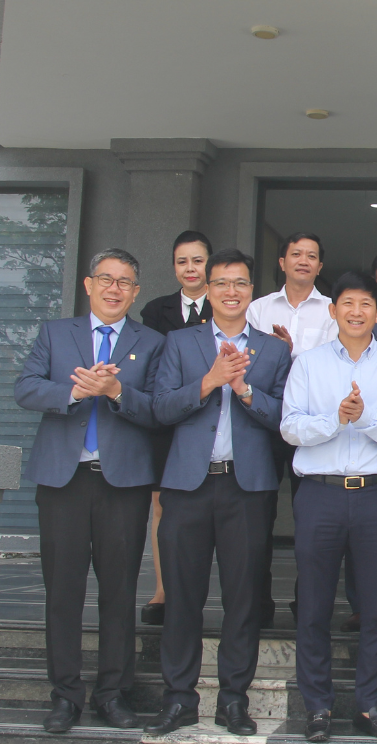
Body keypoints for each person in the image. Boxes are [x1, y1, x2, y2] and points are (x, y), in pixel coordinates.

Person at [13, 247, 164, 733]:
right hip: (64, 479)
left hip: (124, 482)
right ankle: (65, 695)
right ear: (89, 284)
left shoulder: (152, 342)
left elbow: (159, 409)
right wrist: (76, 391)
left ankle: (113, 693)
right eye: (106, 279)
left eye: (124, 282)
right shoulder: (55, 333)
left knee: (119, 591)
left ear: (135, 292)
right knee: (63, 591)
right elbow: (25, 388)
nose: (114, 289)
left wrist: (116, 392)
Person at [144, 249, 291, 738]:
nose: (232, 291)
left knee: (243, 600)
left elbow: (284, 420)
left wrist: (245, 390)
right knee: (182, 598)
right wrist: (208, 382)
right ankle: (178, 699)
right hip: (187, 485)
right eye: (222, 283)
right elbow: (161, 408)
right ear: (207, 290)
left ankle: (233, 700)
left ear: (252, 292)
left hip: (246, 488)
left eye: (241, 283)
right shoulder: (179, 343)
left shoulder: (273, 350)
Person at [281, 271, 377, 744]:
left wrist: (366, 416)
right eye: (348, 304)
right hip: (319, 494)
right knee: (313, 607)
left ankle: (370, 705)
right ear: (333, 310)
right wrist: (335, 420)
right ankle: (317, 706)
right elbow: (290, 428)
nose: (357, 312)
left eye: (366, 304)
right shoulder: (308, 364)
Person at [245, 232, 336, 628]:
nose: (303, 260)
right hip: (264, 421)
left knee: (310, 519)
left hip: (311, 426)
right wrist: (274, 355)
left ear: (319, 266)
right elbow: (249, 363)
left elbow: (331, 367)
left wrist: (288, 352)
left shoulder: (332, 311)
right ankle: (257, 604)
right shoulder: (258, 309)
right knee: (257, 517)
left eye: (311, 256)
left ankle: (306, 604)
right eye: (296, 254)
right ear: (282, 262)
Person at [138, 230, 214, 627]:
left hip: (213, 416)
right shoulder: (156, 310)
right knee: (161, 506)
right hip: (168, 418)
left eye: (198, 261)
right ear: (173, 267)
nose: (190, 268)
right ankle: (163, 590)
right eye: (182, 261)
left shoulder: (226, 303)